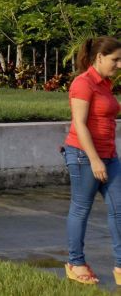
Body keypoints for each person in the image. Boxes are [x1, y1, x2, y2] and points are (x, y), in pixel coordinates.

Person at [62, 36, 121, 286]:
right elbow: (80, 124)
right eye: (115, 60)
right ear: (99, 57)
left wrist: (107, 156)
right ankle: (75, 263)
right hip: (84, 156)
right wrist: (95, 159)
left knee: (119, 209)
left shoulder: (105, 84)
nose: (119, 65)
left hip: (109, 155)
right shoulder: (83, 83)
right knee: (81, 208)